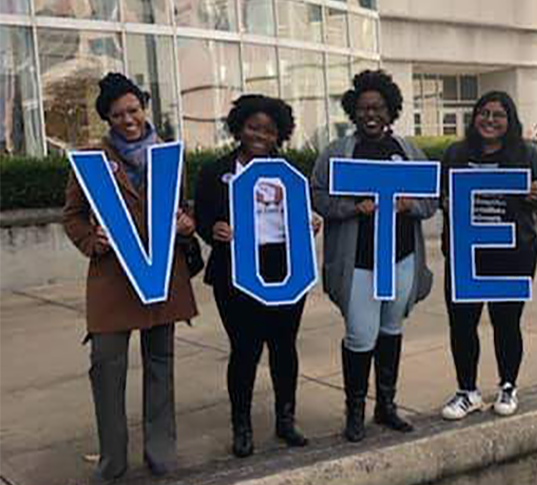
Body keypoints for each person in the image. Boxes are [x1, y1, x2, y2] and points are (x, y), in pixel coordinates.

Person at [63, 73, 198, 482]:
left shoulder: (168, 156)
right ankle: (112, 460)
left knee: (160, 365)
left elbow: (182, 208)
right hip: (113, 281)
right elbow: (72, 216)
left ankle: (161, 452)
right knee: (106, 368)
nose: (128, 120)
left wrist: (187, 225)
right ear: (107, 118)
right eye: (118, 114)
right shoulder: (91, 160)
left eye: (134, 110)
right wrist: (91, 240)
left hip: (159, 278)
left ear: (144, 108)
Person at [311, 70, 438, 442]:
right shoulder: (337, 153)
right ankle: (355, 412)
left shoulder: (408, 151)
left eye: (379, 107)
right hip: (358, 262)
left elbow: (431, 200)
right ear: (354, 111)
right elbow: (317, 195)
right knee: (360, 334)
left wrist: (410, 204)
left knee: (391, 329)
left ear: (390, 110)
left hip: (401, 258)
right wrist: (352, 207)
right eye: (364, 107)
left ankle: (386, 405)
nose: (371, 114)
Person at [195, 94, 318, 458]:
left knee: (284, 347)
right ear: (239, 127)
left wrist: (311, 222)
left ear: (279, 134)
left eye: (268, 130)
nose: (259, 135)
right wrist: (212, 229)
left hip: (284, 267)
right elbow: (201, 217)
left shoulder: (290, 173)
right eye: (253, 127)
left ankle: (286, 420)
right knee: (245, 350)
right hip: (235, 271)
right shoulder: (215, 172)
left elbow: (303, 213)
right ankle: (242, 426)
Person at [439, 91, 537, 421]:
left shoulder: (527, 153)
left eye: (498, 115)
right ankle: (467, 391)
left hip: (512, 252)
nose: (489, 120)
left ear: (510, 120)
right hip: (466, 252)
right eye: (484, 113)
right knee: (462, 323)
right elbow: (438, 193)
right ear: (475, 117)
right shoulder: (456, 153)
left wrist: (536, 195)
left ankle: (508, 386)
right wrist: (444, 201)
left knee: (506, 322)